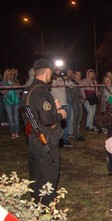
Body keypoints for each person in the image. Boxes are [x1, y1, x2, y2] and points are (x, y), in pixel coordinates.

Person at [20, 58, 67, 206]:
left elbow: (32, 112)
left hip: (33, 141)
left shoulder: (28, 90)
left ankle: (38, 211)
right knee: (48, 179)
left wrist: (52, 106)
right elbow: (46, 119)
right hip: (45, 142)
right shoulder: (41, 91)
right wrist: (60, 114)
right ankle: (50, 218)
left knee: (36, 178)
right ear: (48, 72)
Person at [51, 68, 73, 147]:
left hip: (64, 104)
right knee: (56, 124)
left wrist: (67, 80)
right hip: (56, 105)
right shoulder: (51, 80)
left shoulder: (64, 79)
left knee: (64, 124)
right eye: (56, 70)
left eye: (59, 70)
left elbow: (71, 86)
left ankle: (65, 140)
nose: (58, 71)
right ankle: (57, 140)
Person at [1, 69, 21, 138]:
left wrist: (17, 86)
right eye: (8, 74)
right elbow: (2, 92)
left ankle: (17, 132)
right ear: (5, 75)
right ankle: (12, 133)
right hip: (7, 102)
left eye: (11, 74)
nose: (10, 76)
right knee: (10, 118)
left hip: (16, 101)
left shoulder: (15, 81)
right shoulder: (3, 82)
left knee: (16, 118)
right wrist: (8, 88)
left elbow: (20, 91)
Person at [70, 70, 85, 141]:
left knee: (79, 119)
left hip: (79, 103)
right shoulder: (72, 83)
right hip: (75, 103)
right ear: (74, 75)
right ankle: (75, 134)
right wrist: (81, 98)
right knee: (76, 119)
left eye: (80, 74)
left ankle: (77, 133)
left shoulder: (79, 83)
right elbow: (73, 95)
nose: (79, 76)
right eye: (77, 74)